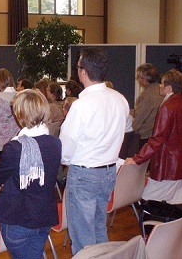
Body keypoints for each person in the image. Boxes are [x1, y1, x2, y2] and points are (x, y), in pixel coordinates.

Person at [59, 47, 129, 255]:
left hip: (84, 174)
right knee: (99, 228)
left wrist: (66, 161)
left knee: (82, 236)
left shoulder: (82, 105)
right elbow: (126, 129)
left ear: (83, 72)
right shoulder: (119, 99)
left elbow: (67, 145)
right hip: (109, 172)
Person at [0, 89, 61, 259]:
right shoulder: (55, 143)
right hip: (44, 217)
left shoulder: (15, 148)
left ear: (20, 115)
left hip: (17, 220)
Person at [126, 70, 182, 204]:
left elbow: (157, 140)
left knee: (150, 201)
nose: (160, 86)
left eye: (162, 84)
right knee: (179, 204)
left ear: (169, 88)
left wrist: (137, 158)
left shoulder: (167, 107)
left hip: (168, 166)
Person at [132, 63, 163, 148]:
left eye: (139, 77)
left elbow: (140, 117)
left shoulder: (146, 95)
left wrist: (132, 129)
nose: (137, 79)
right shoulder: (161, 90)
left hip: (147, 136)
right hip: (160, 134)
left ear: (144, 79)